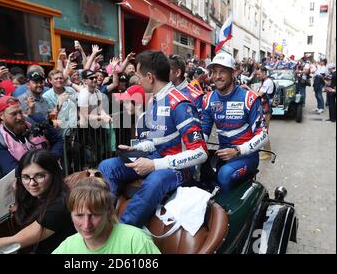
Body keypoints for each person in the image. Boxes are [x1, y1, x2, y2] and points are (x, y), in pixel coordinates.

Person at [98, 50, 208, 228]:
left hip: (180, 169)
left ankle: (123, 233)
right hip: (156, 158)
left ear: (149, 77)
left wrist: (154, 165)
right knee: (107, 166)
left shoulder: (180, 104)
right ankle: (104, 219)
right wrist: (137, 148)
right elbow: (158, 140)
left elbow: (201, 153)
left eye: (138, 76)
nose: (137, 80)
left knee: (154, 181)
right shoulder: (154, 101)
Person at [202, 51, 269, 194]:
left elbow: (263, 135)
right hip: (222, 153)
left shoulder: (249, 98)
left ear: (234, 73)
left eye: (222, 72)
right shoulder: (208, 99)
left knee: (225, 175)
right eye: (214, 72)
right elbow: (204, 132)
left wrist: (237, 151)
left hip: (246, 156)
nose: (217, 76)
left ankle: (227, 213)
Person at [52, 177, 160, 254]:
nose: (86, 225)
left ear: (108, 212)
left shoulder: (136, 241)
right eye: (79, 215)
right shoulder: (67, 246)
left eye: (95, 215)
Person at [0, 96, 63, 174]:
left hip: (52, 172)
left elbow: (58, 140)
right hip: (28, 181)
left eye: (20, 112)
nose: (19, 117)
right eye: (13, 114)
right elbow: (12, 169)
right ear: (0, 115)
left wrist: (52, 157)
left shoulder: (36, 120)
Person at [252, 66, 274, 160]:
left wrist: (246, 88)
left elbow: (258, 95)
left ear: (264, 73)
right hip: (263, 110)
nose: (258, 76)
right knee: (262, 130)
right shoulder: (264, 82)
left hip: (266, 110)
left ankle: (268, 154)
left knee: (264, 131)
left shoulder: (268, 82)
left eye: (259, 74)